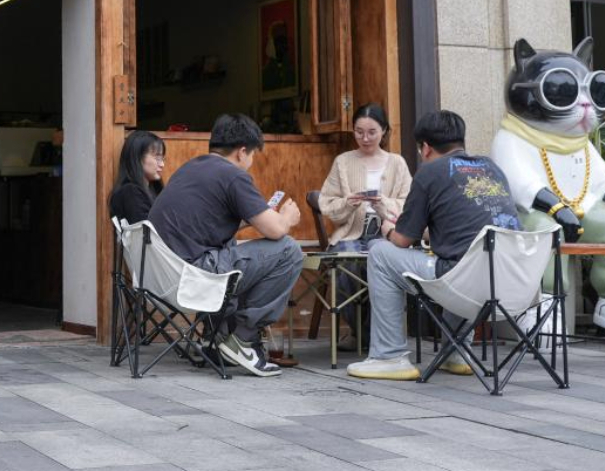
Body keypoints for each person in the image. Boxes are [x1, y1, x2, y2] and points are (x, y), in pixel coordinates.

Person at [347, 110, 522, 381]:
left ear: (425, 148)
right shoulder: (492, 169)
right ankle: (457, 353)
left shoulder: (429, 172)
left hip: (464, 283)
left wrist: (388, 228)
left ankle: (389, 357)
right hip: (510, 282)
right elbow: (462, 232)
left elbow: (402, 241)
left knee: (381, 253)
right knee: (463, 259)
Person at [148, 114, 303, 377]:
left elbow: (205, 226)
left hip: (162, 276)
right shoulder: (233, 175)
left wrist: (248, 219)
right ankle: (244, 339)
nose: (251, 162)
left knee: (228, 242)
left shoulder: (190, 167)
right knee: (289, 251)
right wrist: (287, 218)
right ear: (242, 152)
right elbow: (276, 230)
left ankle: (216, 338)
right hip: (193, 277)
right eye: (252, 155)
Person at [319, 104, 412, 351]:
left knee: (384, 262)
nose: (365, 138)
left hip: (386, 233)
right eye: (359, 132)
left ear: (384, 131)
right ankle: (363, 333)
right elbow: (326, 203)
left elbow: (409, 204)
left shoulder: (397, 163)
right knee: (345, 260)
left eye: (372, 132)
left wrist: (384, 204)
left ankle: (372, 334)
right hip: (350, 231)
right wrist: (347, 203)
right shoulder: (343, 162)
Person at [108, 131, 166, 224]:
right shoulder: (130, 192)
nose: (162, 164)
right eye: (157, 158)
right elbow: (147, 229)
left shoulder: (152, 188)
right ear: (138, 158)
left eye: (163, 159)